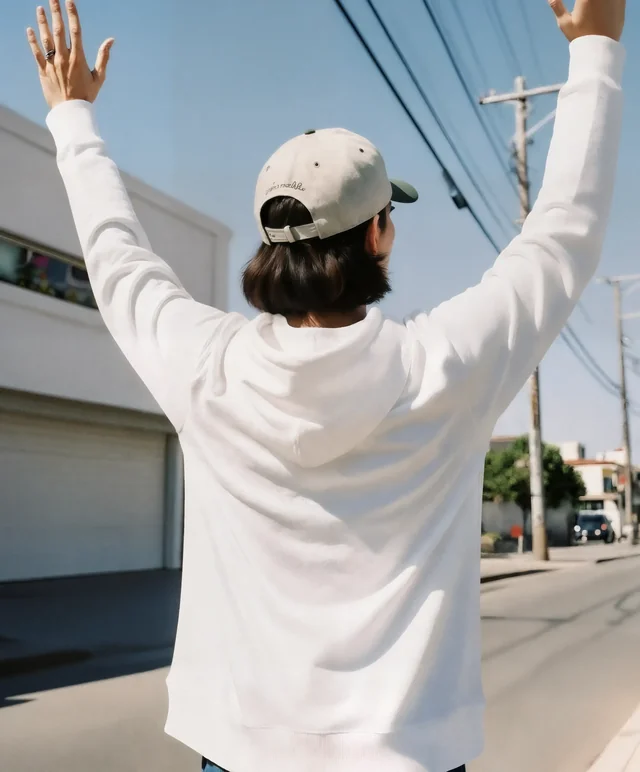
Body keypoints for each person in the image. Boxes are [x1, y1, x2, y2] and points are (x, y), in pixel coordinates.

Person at [26, 0, 625, 769]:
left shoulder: (207, 368)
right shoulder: (443, 369)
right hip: (410, 755)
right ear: (378, 235)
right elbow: (563, 235)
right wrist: (597, 49)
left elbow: (117, 257)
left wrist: (72, 116)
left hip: (238, 752)